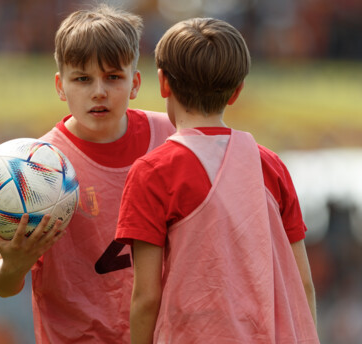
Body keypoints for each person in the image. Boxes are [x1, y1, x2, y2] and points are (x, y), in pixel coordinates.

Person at [115, 18, 319, 343]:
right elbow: (302, 283)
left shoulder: (153, 172)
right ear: (237, 92)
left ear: (163, 83)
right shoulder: (270, 165)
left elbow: (146, 297)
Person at [0, 4, 175, 343]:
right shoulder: (35, 168)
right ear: (60, 86)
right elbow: (2, 284)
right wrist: (14, 263)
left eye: (113, 77)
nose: (98, 91)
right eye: (82, 79)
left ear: (135, 83)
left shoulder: (172, 138)